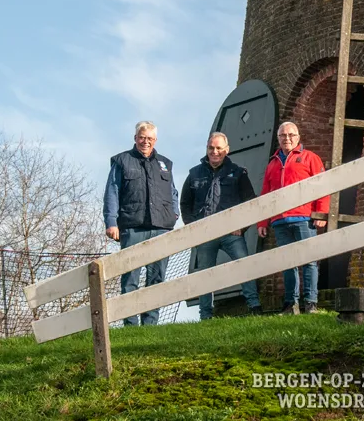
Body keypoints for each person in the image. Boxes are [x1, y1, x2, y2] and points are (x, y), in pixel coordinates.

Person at [103, 121, 179, 326]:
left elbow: (173, 192)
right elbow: (112, 192)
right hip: (132, 227)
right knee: (130, 279)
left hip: (161, 227)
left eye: (150, 138)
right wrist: (111, 222)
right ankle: (131, 325)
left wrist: (174, 214)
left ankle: (150, 324)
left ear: (155, 140)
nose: (145, 142)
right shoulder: (122, 161)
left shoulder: (165, 163)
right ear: (135, 138)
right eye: (142, 137)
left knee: (157, 279)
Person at [180, 132, 263, 320]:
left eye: (219, 148)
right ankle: (205, 315)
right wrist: (192, 227)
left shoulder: (238, 172)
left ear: (227, 150)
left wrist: (242, 227)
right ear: (207, 149)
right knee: (205, 274)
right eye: (211, 148)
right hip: (205, 233)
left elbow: (250, 202)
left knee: (244, 265)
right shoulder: (194, 174)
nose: (214, 152)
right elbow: (185, 203)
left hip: (231, 232)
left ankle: (254, 306)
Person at [256, 121, 329, 315]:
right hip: (280, 220)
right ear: (278, 138)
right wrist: (263, 221)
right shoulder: (272, 163)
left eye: (291, 135)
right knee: (288, 263)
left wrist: (321, 213)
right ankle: (291, 304)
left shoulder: (310, 158)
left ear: (298, 137)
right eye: (282, 136)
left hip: (304, 217)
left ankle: (311, 303)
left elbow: (322, 186)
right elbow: (266, 193)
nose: (287, 139)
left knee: (309, 260)